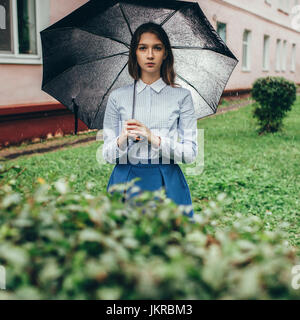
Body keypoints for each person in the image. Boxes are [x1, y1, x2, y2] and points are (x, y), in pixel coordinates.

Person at [102, 22, 198, 217]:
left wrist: (154, 139)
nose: (150, 55)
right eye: (143, 48)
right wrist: (122, 139)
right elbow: (107, 155)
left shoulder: (182, 96)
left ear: (166, 54)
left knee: (169, 243)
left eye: (157, 48)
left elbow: (190, 154)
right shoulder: (117, 97)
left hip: (166, 179)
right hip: (125, 179)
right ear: (134, 54)